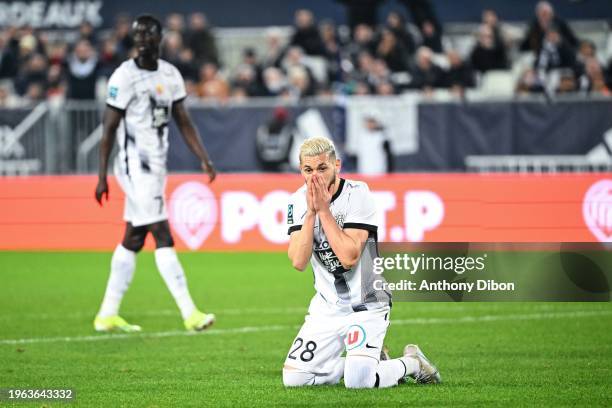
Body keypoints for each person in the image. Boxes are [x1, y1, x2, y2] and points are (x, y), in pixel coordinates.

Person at [282, 136, 440, 388]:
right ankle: (368, 359)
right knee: (295, 379)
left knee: (358, 382)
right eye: (308, 170)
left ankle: (412, 363)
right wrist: (311, 212)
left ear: (337, 165)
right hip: (327, 308)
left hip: (367, 304)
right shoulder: (295, 201)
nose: (315, 177)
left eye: (322, 168)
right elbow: (298, 262)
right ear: (300, 169)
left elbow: (348, 257)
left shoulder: (358, 194)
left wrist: (323, 210)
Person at [93, 15, 217, 333]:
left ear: (160, 38)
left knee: (133, 238)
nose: (143, 39)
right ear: (133, 40)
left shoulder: (170, 75)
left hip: (157, 167)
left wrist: (203, 157)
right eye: (138, 35)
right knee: (162, 234)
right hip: (136, 168)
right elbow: (109, 128)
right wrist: (102, 174)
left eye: (149, 34)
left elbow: (183, 119)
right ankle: (190, 312)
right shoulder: (123, 76)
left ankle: (107, 314)